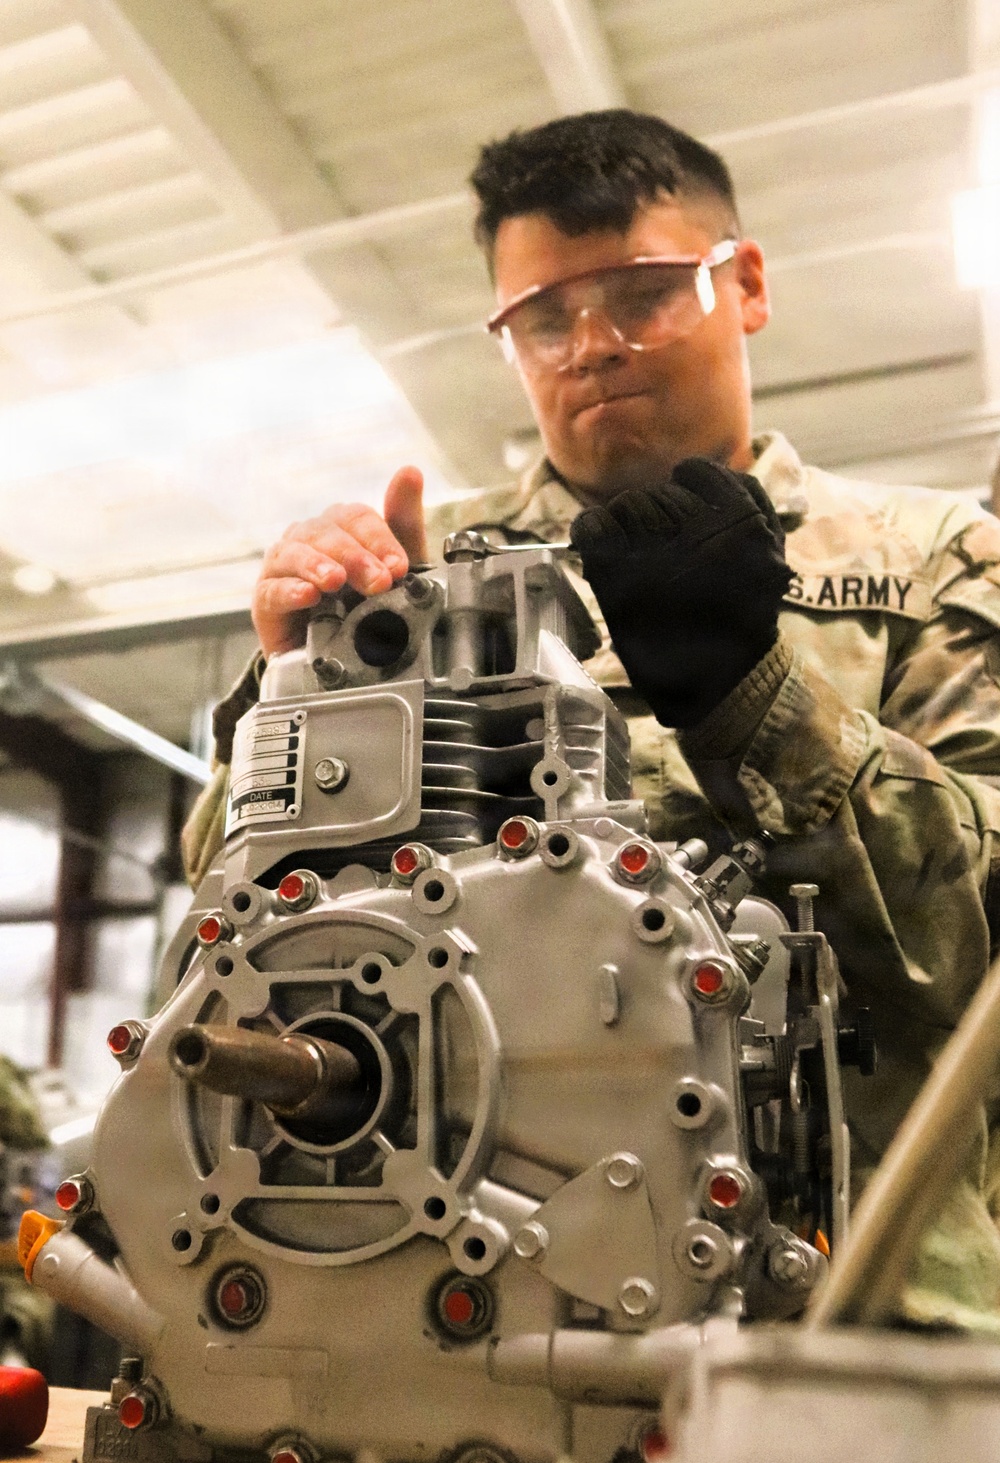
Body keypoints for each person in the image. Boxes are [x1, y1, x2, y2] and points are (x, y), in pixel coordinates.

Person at [183, 110, 1000, 1331]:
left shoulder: (932, 558)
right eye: (544, 317)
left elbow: (975, 942)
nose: (593, 345)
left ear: (748, 282)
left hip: (846, 1297)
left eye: (644, 292)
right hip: (450, 1289)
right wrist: (296, 689)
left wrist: (757, 699)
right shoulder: (415, 574)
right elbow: (229, 937)